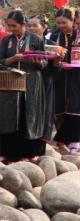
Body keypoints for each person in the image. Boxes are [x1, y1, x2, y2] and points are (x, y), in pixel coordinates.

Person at [0, 10, 51, 161]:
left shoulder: (36, 39)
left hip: (32, 81)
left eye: (14, 26)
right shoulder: (6, 40)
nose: (11, 29)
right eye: (9, 26)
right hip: (10, 82)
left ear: (23, 24)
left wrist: (39, 62)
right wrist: (14, 58)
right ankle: (9, 153)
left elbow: (45, 61)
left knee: (30, 114)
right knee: (9, 115)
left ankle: (30, 153)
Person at [47, 8, 80, 153]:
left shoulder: (79, 35)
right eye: (58, 23)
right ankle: (62, 137)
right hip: (59, 75)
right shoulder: (53, 36)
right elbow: (48, 54)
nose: (61, 26)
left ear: (72, 21)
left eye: (64, 22)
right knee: (58, 106)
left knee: (75, 107)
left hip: (77, 76)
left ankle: (75, 141)